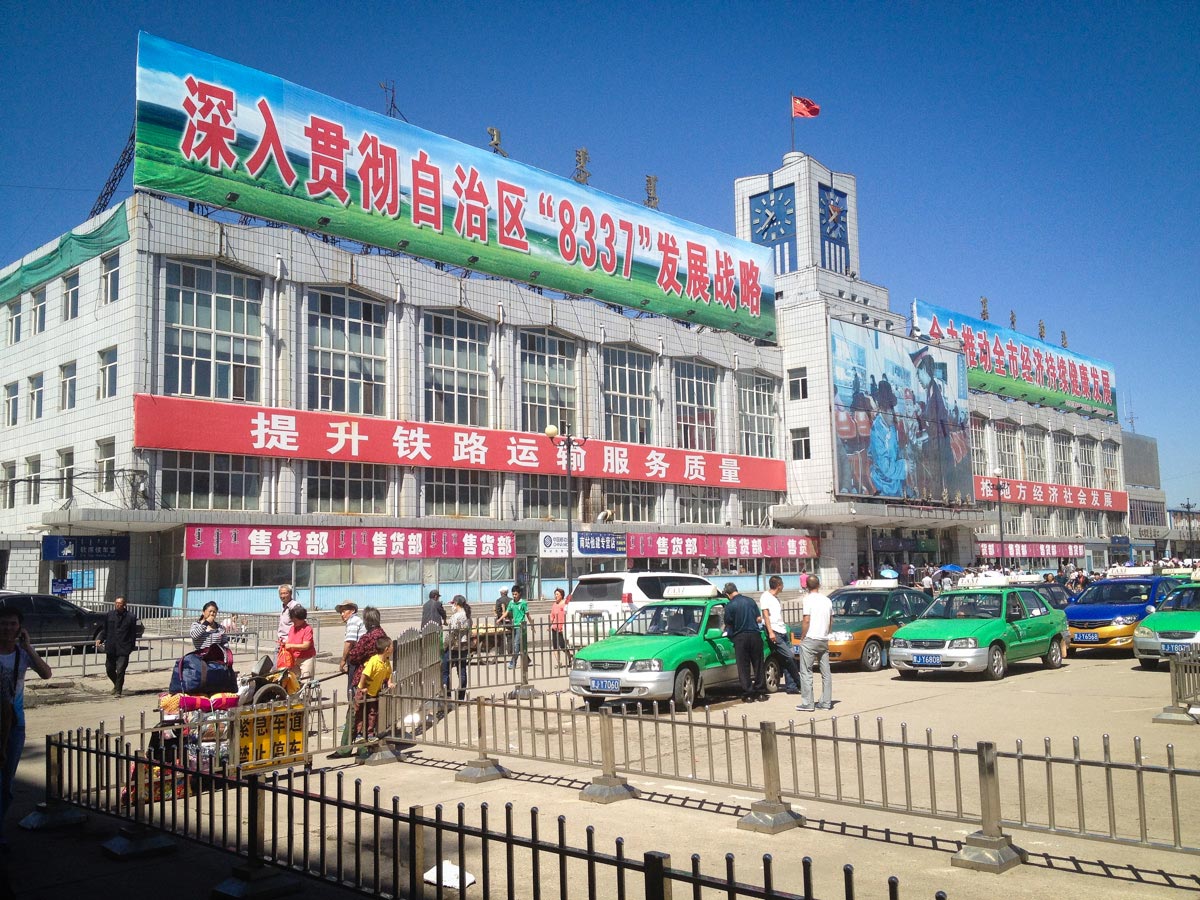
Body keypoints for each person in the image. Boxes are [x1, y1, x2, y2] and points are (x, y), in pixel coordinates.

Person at [0, 602, 52, 846]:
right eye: (4, 623)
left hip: (14, 725)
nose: (8, 628)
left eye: (13, 624)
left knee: (7, 782)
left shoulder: (22, 654)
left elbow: (46, 673)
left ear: (20, 627)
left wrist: (28, 646)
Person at [795, 575, 834, 712]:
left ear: (806, 585)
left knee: (806, 671)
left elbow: (806, 619)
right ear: (819, 584)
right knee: (826, 672)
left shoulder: (808, 600)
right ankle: (826, 702)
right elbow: (830, 620)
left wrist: (803, 636)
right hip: (823, 639)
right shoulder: (827, 600)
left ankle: (808, 703)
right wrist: (826, 633)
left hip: (810, 638)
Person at [723, 582, 766, 703]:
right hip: (755, 635)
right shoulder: (750, 601)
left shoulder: (730, 606)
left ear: (728, 594)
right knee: (758, 664)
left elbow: (728, 623)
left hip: (740, 637)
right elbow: (758, 618)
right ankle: (761, 692)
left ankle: (748, 694)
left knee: (743, 667)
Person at [757, 576, 801, 694]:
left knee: (787, 659)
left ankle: (791, 686)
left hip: (782, 631)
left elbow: (773, 615)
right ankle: (799, 681)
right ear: (779, 585)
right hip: (775, 632)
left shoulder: (776, 598)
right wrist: (770, 632)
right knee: (789, 656)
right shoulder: (765, 597)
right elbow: (766, 615)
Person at [95, 596, 140, 697]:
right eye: (116, 603)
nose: (118, 605)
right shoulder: (110, 615)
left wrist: (131, 647)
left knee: (120, 670)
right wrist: (100, 638)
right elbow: (105, 629)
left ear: (124, 605)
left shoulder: (131, 617)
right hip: (111, 646)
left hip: (124, 648)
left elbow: (133, 634)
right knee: (109, 669)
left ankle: (118, 691)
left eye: (120, 603)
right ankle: (116, 685)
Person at [354, 636, 393, 740]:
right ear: (386, 649)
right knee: (360, 712)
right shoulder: (374, 660)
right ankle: (358, 734)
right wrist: (362, 687)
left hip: (374, 692)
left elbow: (389, 674)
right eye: (391, 646)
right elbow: (364, 674)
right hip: (364, 691)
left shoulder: (386, 662)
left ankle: (370, 733)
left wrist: (389, 682)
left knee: (372, 713)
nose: (393, 648)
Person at [346, 607, 388, 697]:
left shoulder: (368, 637)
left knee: (359, 703)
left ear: (367, 621)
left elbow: (354, 655)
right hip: (380, 672)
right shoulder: (382, 633)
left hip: (366, 674)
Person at [337, 601, 366, 697]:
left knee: (352, 687)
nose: (342, 614)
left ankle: (353, 708)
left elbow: (349, 642)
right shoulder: (356, 620)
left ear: (352, 611)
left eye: (344, 611)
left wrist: (343, 660)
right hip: (360, 657)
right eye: (341, 612)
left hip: (356, 659)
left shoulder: (353, 621)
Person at [280, 605, 316, 682]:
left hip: (306, 658)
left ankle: (306, 694)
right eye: (292, 619)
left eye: (295, 620)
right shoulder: (292, 628)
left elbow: (306, 645)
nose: (293, 621)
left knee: (306, 681)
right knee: (293, 681)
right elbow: (290, 640)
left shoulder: (307, 629)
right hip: (294, 659)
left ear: (301, 619)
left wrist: (291, 645)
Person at [445, 595, 471, 700]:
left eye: (453, 604)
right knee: (462, 670)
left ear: (456, 604)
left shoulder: (456, 616)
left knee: (445, 670)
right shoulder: (468, 615)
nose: (452, 606)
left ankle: (447, 694)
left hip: (453, 647)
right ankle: (461, 697)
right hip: (464, 646)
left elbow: (451, 633)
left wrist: (445, 645)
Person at [503, 584, 529, 669]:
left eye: (516, 594)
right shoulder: (511, 602)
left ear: (519, 593)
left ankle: (513, 663)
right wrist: (500, 619)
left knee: (516, 644)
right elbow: (506, 612)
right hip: (514, 626)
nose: (514, 596)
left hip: (521, 626)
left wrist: (532, 624)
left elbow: (527, 614)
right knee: (520, 644)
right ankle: (527, 659)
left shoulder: (523, 603)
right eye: (513, 594)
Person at [548, 588, 572, 669]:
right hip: (555, 628)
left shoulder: (565, 604)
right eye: (555, 594)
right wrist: (549, 625)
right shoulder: (554, 605)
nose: (556, 596)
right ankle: (559, 662)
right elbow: (552, 616)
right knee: (555, 646)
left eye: (557, 594)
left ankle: (570, 658)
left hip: (562, 628)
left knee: (563, 646)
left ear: (561, 595)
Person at [276, 584, 299, 656]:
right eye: (281, 594)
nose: (283, 596)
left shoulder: (295, 606)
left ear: (290, 594)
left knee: (284, 666)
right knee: (277, 665)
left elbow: (299, 625)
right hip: (281, 642)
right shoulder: (284, 606)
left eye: (285, 593)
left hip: (290, 643)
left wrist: (291, 641)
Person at [494, 588, 512, 655]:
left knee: (501, 636)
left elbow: (497, 610)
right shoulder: (511, 600)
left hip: (501, 620)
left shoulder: (499, 600)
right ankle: (510, 652)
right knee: (510, 636)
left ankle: (501, 653)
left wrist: (501, 616)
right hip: (510, 620)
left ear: (501, 593)